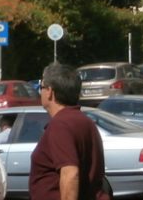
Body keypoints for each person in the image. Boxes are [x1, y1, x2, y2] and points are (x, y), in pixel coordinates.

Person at [29, 63, 108, 200]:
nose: (40, 92)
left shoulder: (60, 125)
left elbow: (70, 174)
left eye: (41, 87)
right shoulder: (85, 121)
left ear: (50, 92)